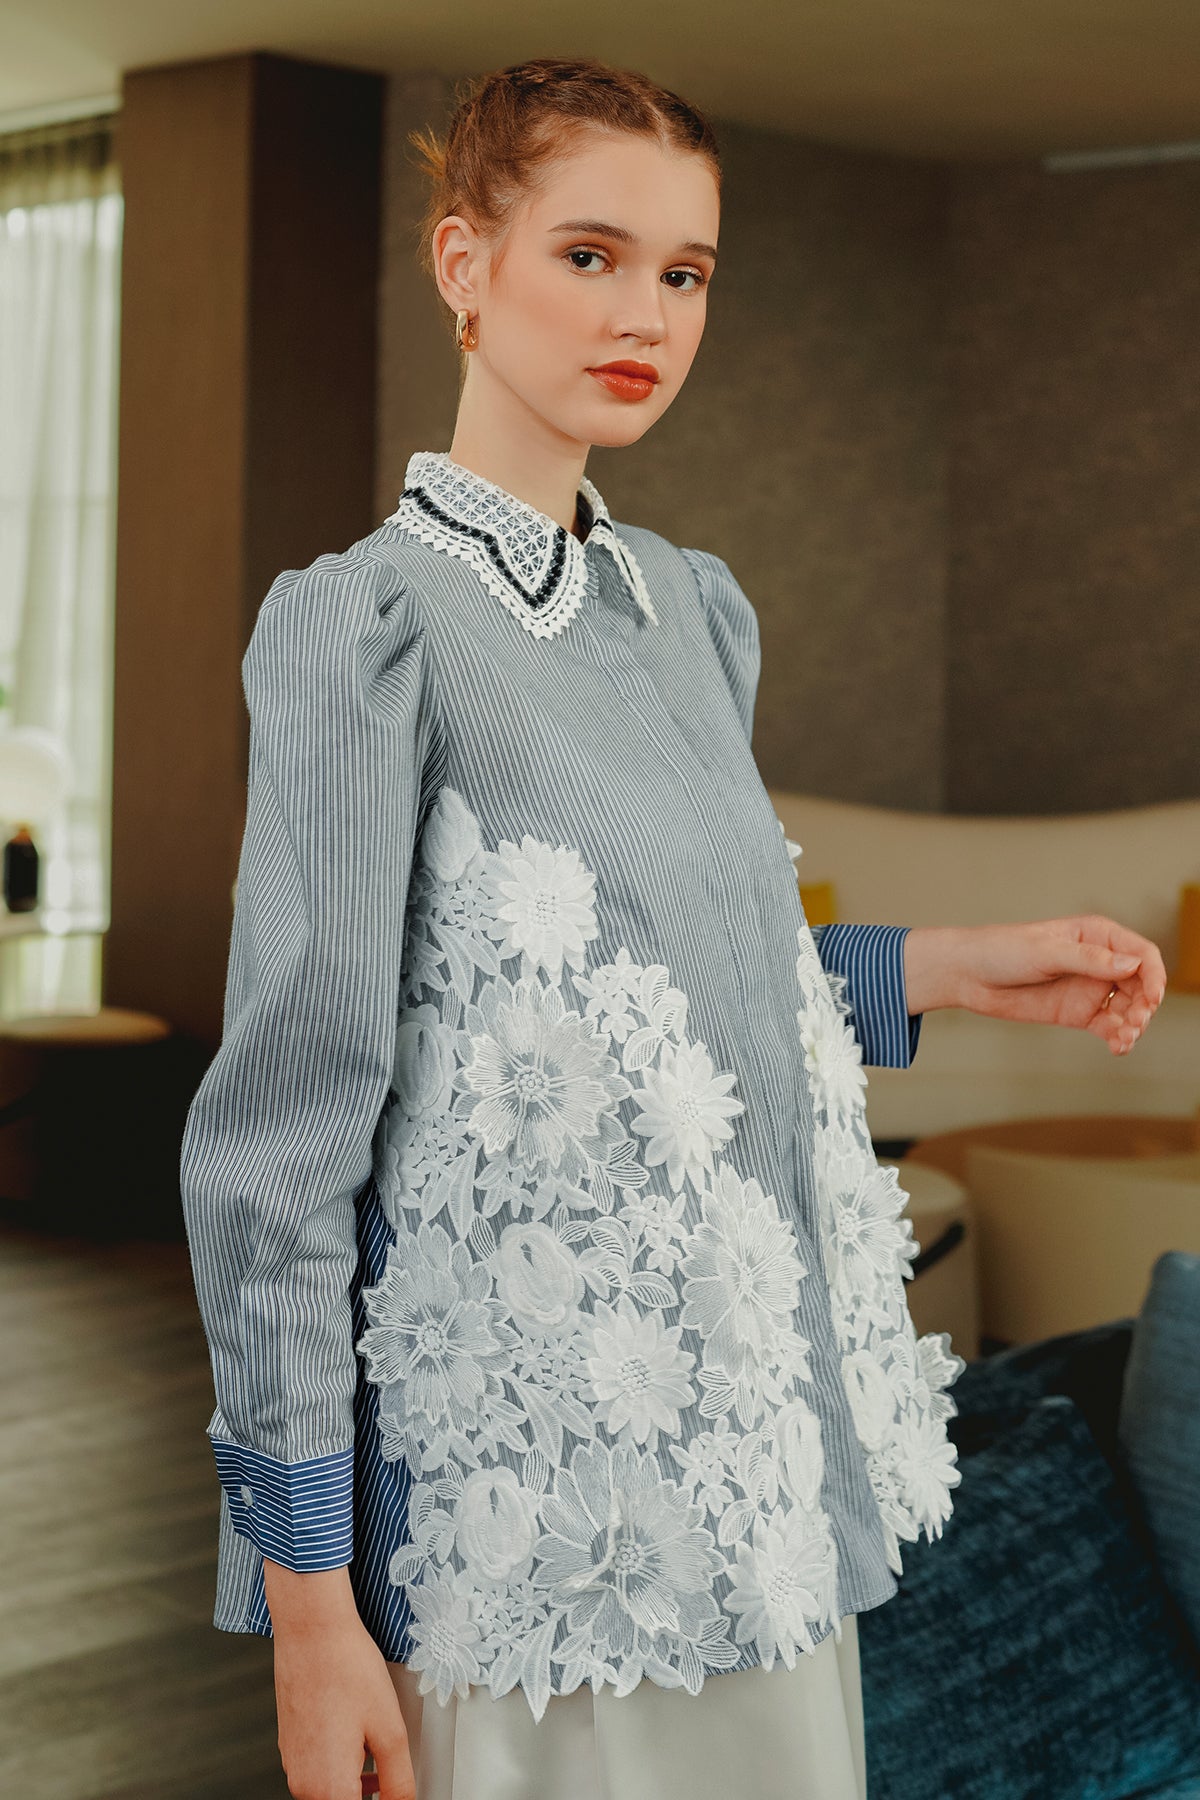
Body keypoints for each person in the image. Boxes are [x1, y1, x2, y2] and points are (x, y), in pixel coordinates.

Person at [178, 54, 1167, 1800]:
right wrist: (310, 1606)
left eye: (687, 272)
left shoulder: (694, 611)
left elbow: (658, 1005)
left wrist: (951, 967)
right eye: (592, 255)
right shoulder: (367, 629)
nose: (647, 314)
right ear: (464, 263)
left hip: (761, 1486)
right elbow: (281, 1143)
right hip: (546, 1531)